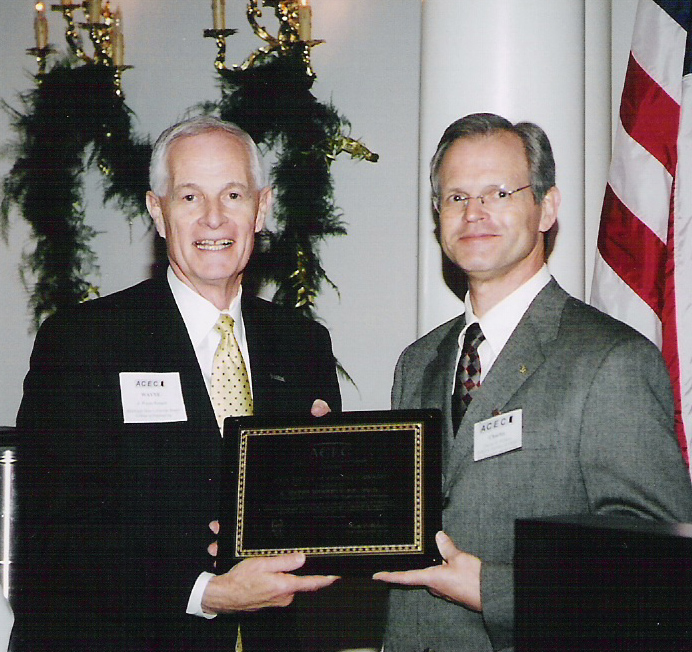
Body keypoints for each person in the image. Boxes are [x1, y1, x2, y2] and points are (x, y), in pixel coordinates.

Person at [11, 115, 342, 652]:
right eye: (189, 197)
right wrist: (205, 592)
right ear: (157, 212)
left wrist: (333, 478)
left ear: (262, 208)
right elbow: (55, 537)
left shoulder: (302, 344)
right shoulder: (83, 341)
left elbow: (310, 523)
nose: (214, 218)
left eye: (233, 194)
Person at [372, 112, 692, 651]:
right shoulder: (417, 362)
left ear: (546, 207)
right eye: (456, 197)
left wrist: (492, 590)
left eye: (498, 192)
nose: (474, 213)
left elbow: (657, 579)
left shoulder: (611, 361)